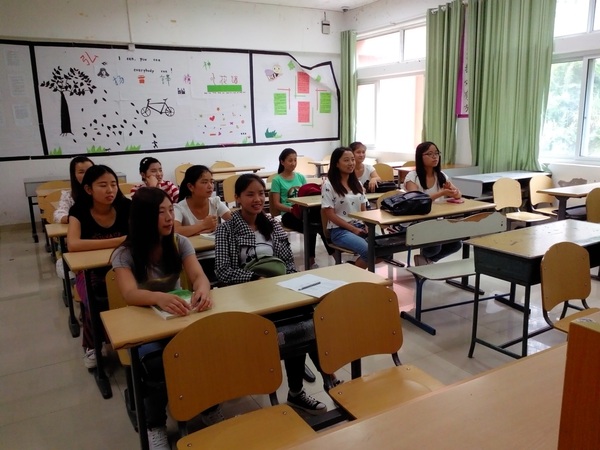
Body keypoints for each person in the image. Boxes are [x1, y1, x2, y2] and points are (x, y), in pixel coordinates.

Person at [112, 187, 216, 450]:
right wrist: (157, 298)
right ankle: (155, 424)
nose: (169, 218)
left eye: (171, 210)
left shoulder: (179, 242)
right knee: (155, 365)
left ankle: (209, 406)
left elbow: (198, 276)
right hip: (144, 320)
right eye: (161, 212)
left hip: (177, 314)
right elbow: (129, 293)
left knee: (208, 347)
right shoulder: (125, 253)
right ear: (143, 217)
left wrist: (203, 289)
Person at [214, 173, 327, 415]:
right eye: (250, 194)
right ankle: (325, 378)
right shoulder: (226, 230)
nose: (257, 199)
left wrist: (290, 284)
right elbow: (222, 271)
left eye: (261, 194)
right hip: (244, 297)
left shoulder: (272, 224)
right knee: (293, 329)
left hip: (277, 292)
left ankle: (300, 390)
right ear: (237, 198)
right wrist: (255, 279)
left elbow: (288, 263)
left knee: (308, 320)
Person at [67, 164, 131, 369]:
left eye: (113, 184)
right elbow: (73, 244)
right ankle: (92, 345)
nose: (110, 190)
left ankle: (132, 334)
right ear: (88, 189)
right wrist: (117, 241)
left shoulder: (126, 206)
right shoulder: (78, 210)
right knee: (94, 297)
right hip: (89, 270)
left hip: (123, 266)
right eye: (103, 185)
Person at [270, 148, 333, 268]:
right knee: (311, 227)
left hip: (303, 211)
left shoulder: (300, 177)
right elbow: (277, 204)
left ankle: (332, 255)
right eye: (290, 160)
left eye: (295, 160)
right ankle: (312, 261)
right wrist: (292, 210)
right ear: (282, 162)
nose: (293, 163)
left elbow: (307, 197)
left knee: (320, 224)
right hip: (288, 214)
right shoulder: (277, 180)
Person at [404, 141, 463, 265]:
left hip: (436, 220)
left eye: (436, 153)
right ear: (420, 157)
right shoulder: (412, 177)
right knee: (435, 245)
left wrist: (453, 192)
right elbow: (417, 200)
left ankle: (426, 260)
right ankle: (425, 259)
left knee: (456, 244)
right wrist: (441, 193)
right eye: (430, 154)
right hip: (416, 221)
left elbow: (459, 194)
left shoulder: (441, 176)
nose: (434, 157)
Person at [174, 164, 232, 282]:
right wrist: (203, 225)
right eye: (204, 182)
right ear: (191, 187)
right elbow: (175, 231)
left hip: (218, 254)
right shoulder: (180, 207)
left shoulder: (215, 202)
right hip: (195, 258)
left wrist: (217, 228)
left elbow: (234, 221)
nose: (210, 186)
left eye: (211, 182)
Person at [322, 147, 370, 269]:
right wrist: (353, 229)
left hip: (360, 226)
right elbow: (330, 214)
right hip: (340, 230)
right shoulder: (328, 185)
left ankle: (352, 268)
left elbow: (363, 209)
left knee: (386, 249)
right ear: (336, 164)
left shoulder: (357, 183)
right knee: (369, 251)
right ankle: (352, 276)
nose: (351, 163)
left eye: (352, 160)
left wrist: (367, 224)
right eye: (346, 160)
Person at [53, 156, 95, 224]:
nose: (87, 174)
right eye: (81, 172)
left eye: (90, 170)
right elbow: (59, 215)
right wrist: (75, 219)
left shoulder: (103, 191)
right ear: (74, 175)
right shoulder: (69, 196)